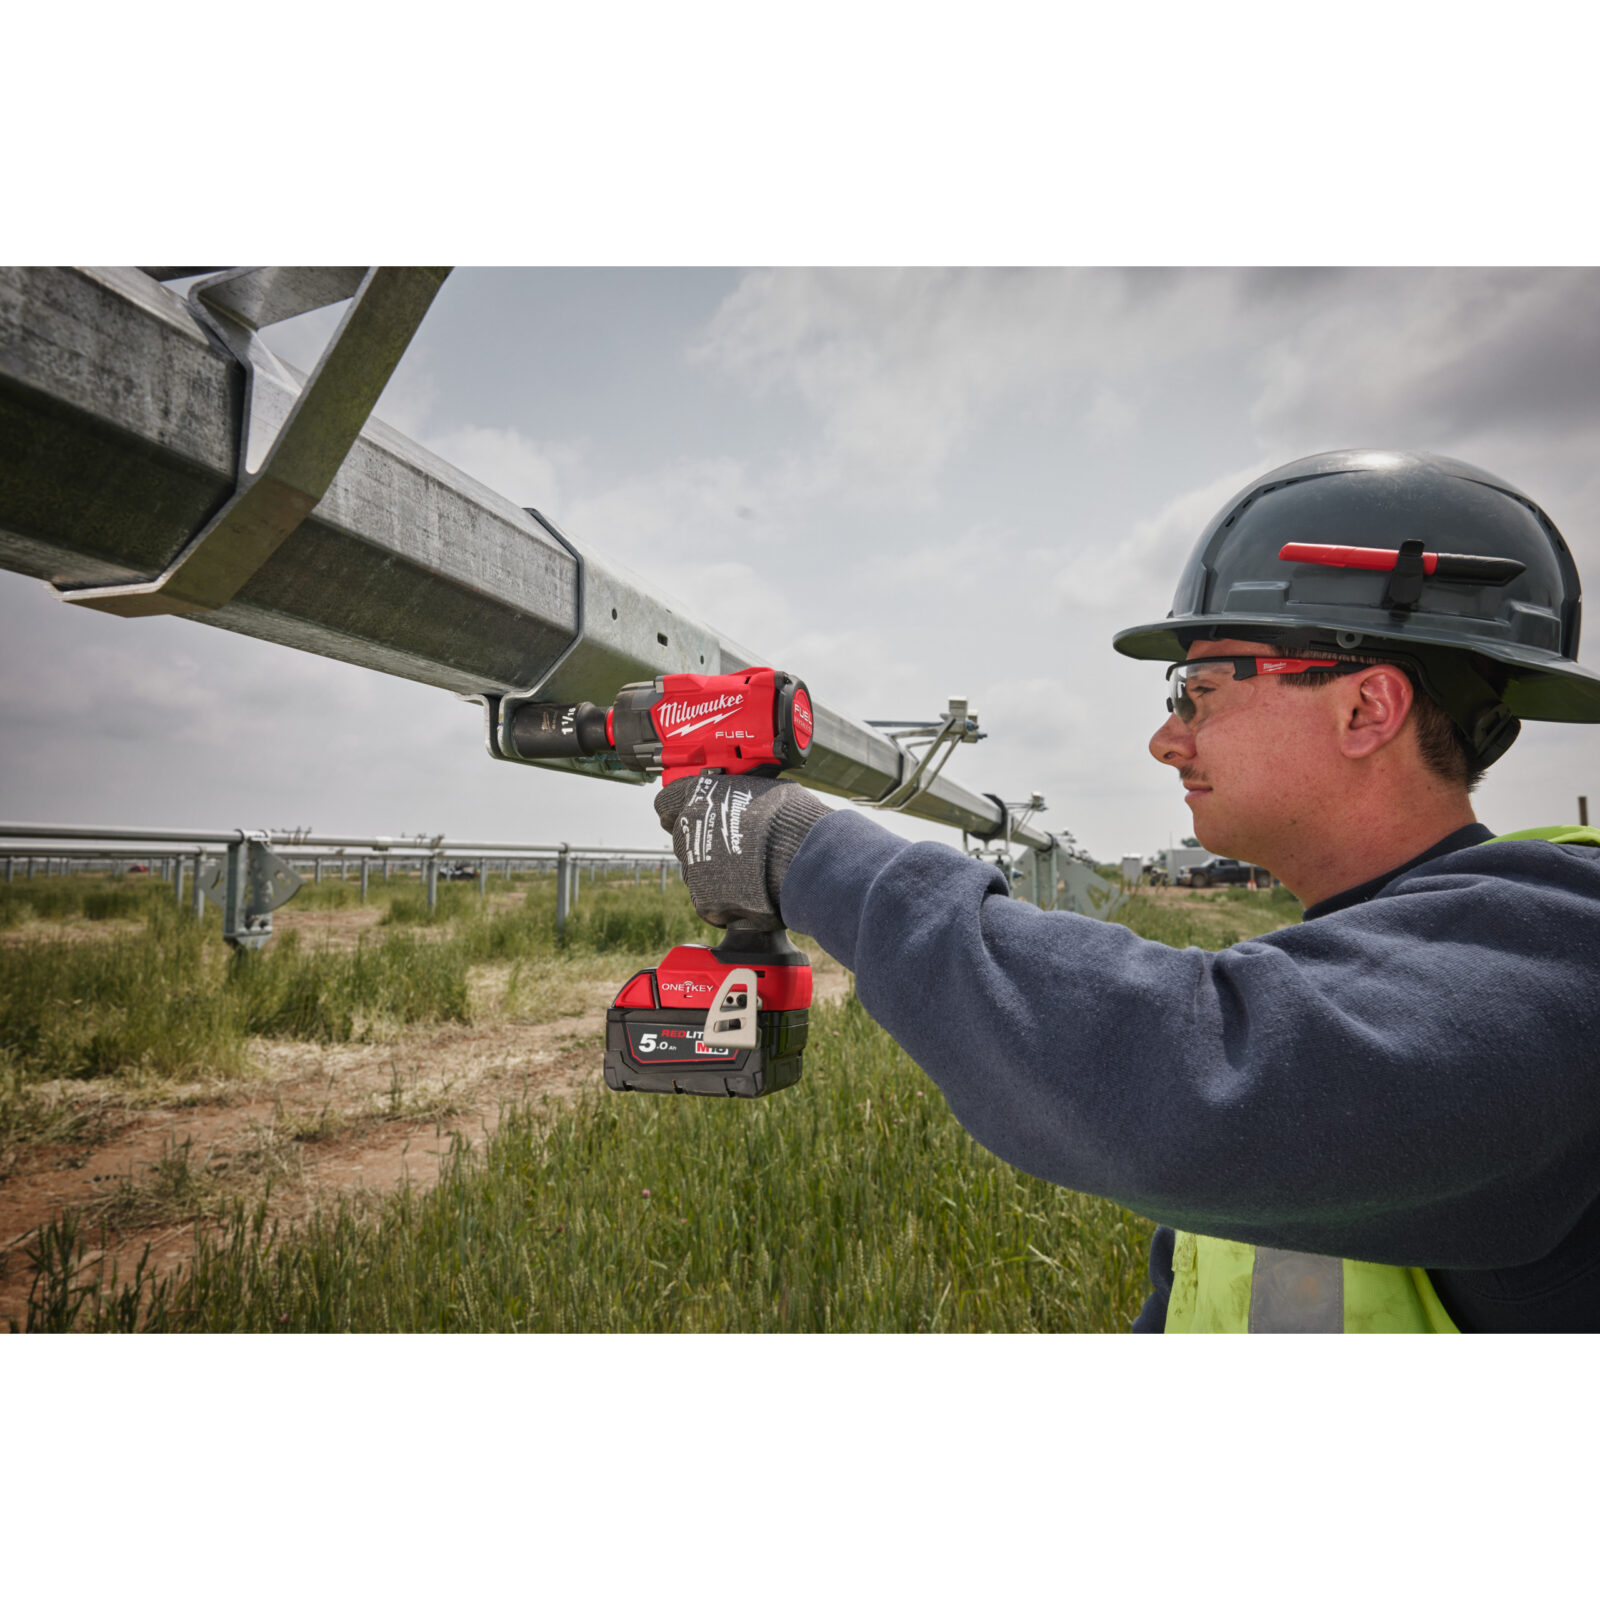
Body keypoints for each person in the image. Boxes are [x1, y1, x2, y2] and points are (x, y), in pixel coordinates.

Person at [657, 450, 1600, 1333]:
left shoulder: (1566, 954)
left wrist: (802, 852)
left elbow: (1200, 1081)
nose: (1166, 740)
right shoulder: (1354, 964)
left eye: (1200, 691)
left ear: (1366, 708)